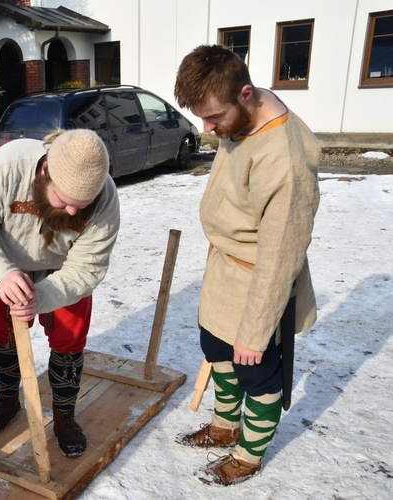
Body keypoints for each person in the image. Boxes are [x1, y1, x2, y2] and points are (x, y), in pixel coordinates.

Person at [172, 45, 321, 485]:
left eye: (213, 116)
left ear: (246, 93)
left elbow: (280, 258)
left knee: (255, 370)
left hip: (258, 279)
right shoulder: (239, 117)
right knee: (215, 348)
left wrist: (257, 330)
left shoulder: (285, 161)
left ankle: (249, 455)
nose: (207, 128)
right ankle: (223, 426)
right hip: (225, 267)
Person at [0, 129, 120, 458]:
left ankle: (64, 416)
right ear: (45, 172)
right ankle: (6, 400)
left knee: (69, 340)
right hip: (2, 265)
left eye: (82, 205)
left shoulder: (106, 198)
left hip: (63, 272)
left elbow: (87, 267)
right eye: (65, 200)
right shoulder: (8, 166)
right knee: (2, 335)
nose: (73, 213)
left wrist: (40, 298)